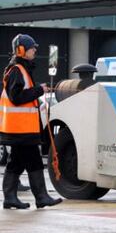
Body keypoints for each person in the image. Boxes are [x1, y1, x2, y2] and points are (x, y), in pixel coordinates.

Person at [0, 34, 62, 209]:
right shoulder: (17, 70)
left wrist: (37, 90)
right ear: (21, 50)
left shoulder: (20, 70)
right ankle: (41, 197)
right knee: (33, 160)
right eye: (32, 48)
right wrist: (38, 90)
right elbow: (16, 97)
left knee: (17, 162)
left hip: (20, 129)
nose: (35, 50)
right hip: (20, 129)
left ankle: (11, 198)